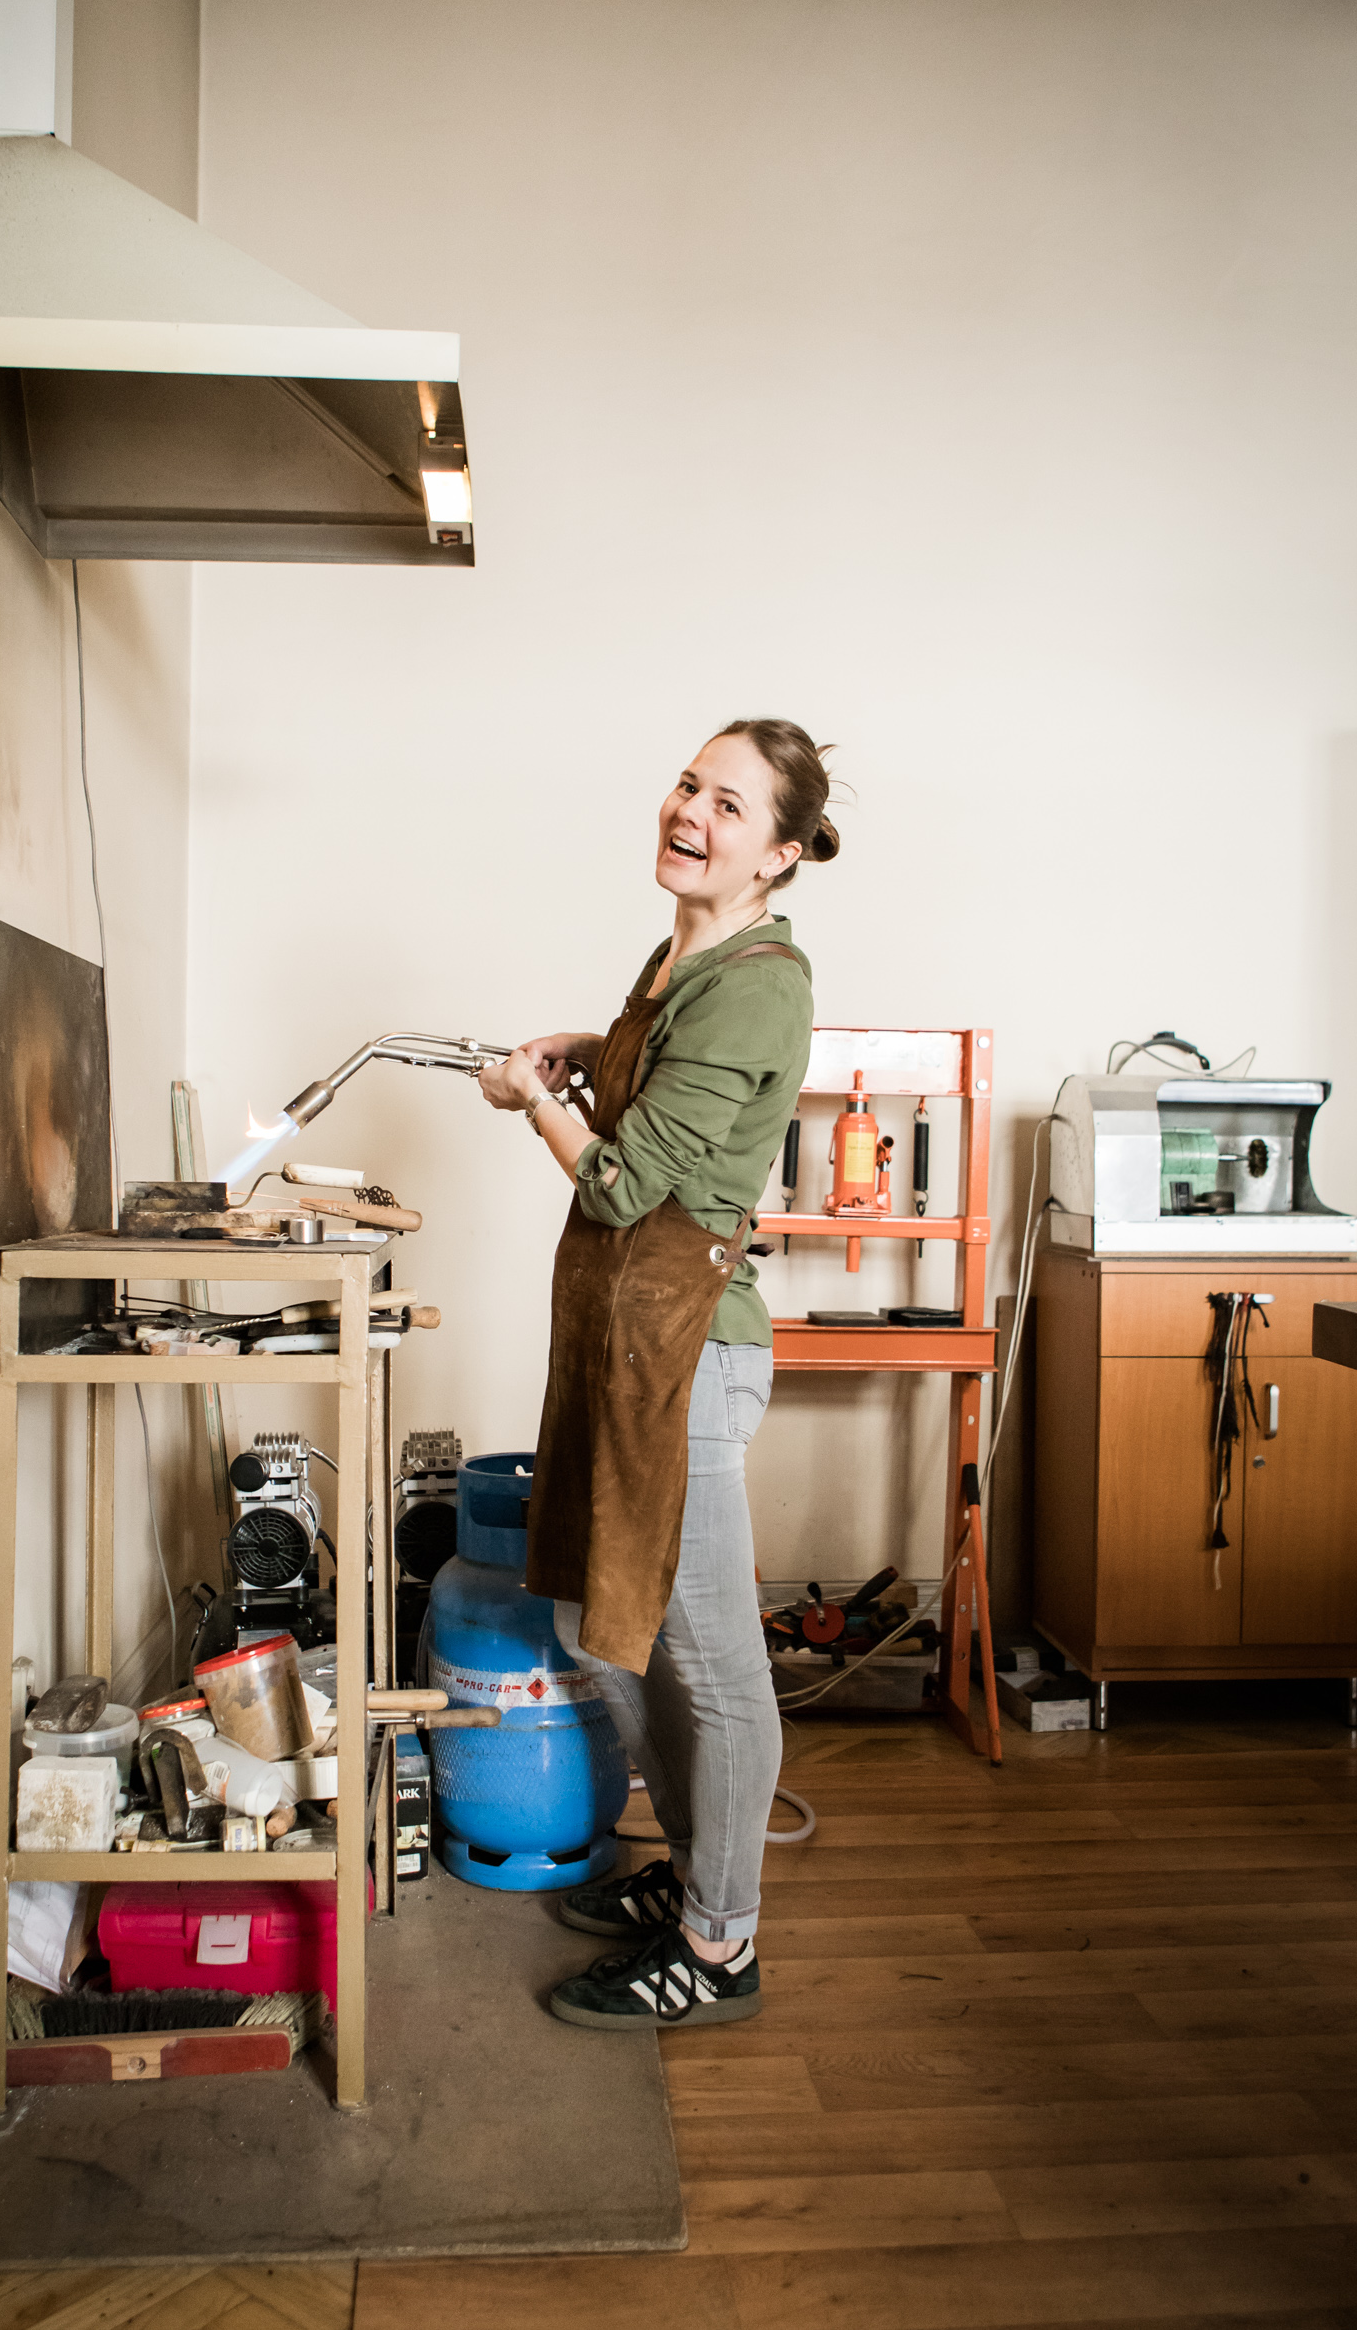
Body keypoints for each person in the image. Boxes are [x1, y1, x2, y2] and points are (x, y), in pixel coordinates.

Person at [476, 717, 837, 2030]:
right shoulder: (687, 948)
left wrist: (536, 1103)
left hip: (688, 1361)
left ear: (779, 854)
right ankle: (692, 1876)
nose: (690, 811)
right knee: (595, 1624)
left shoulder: (758, 983)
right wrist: (588, 1049)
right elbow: (653, 1095)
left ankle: (723, 1945)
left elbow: (627, 1182)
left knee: (709, 1660)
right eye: (691, 783)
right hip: (621, 1352)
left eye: (729, 806)